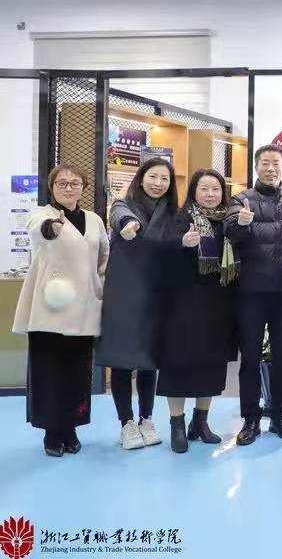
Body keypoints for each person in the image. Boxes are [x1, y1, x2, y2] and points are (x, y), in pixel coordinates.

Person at [13, 165, 109, 457]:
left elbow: (104, 257)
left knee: (78, 373)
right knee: (48, 372)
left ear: (83, 187)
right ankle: (52, 432)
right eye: (62, 183)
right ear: (52, 187)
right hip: (49, 309)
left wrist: (100, 286)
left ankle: (70, 428)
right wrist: (51, 228)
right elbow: (39, 230)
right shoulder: (42, 214)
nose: (69, 188)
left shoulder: (94, 220)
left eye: (75, 183)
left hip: (84, 308)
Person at [225, 144, 282, 445]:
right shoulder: (242, 199)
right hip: (249, 291)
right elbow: (230, 233)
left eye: (276, 163)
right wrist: (241, 223)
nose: (271, 168)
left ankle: (279, 416)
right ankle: (250, 419)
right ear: (256, 166)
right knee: (250, 358)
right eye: (265, 163)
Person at [97, 157, 180, 450]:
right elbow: (119, 216)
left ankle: (147, 418)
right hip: (125, 294)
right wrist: (127, 225)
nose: (158, 183)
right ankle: (126, 423)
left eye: (164, 179)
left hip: (157, 294)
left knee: (149, 360)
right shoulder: (124, 205)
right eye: (153, 176)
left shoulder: (173, 214)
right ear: (141, 178)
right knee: (121, 358)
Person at [159, 169, 239, 453]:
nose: (210, 194)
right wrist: (182, 244)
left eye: (215, 189)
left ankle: (200, 423)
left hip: (218, 303)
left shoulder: (229, 221)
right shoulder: (180, 219)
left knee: (211, 365)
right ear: (193, 191)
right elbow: (161, 256)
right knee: (178, 364)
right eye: (204, 189)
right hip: (182, 304)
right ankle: (177, 425)